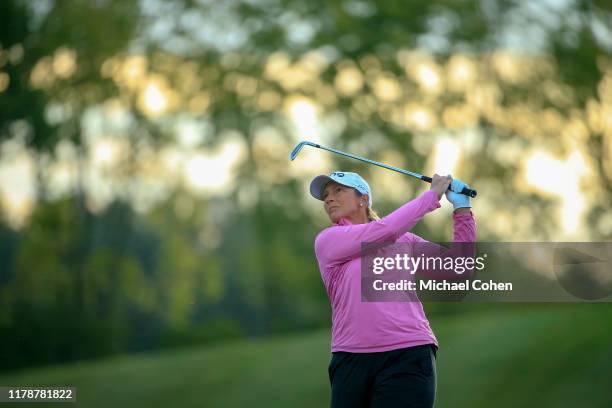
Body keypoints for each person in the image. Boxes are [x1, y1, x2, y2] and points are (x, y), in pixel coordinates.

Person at [310, 170, 477, 408]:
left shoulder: (404, 241)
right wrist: (432, 196)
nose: (328, 199)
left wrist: (462, 210)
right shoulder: (328, 240)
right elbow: (382, 232)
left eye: (338, 190)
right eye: (325, 195)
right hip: (350, 357)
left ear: (363, 199)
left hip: (408, 352)